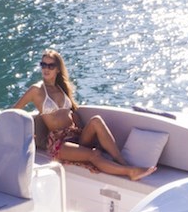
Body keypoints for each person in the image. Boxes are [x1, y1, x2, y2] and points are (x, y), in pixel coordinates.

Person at [11, 50, 155, 181]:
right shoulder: (36, 90)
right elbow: (12, 113)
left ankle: (121, 161)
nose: (46, 69)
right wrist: (25, 132)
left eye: (50, 65)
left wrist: (78, 124)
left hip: (74, 135)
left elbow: (72, 112)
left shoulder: (61, 88)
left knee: (96, 121)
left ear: (58, 69)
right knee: (94, 154)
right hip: (59, 143)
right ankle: (130, 172)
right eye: (43, 65)